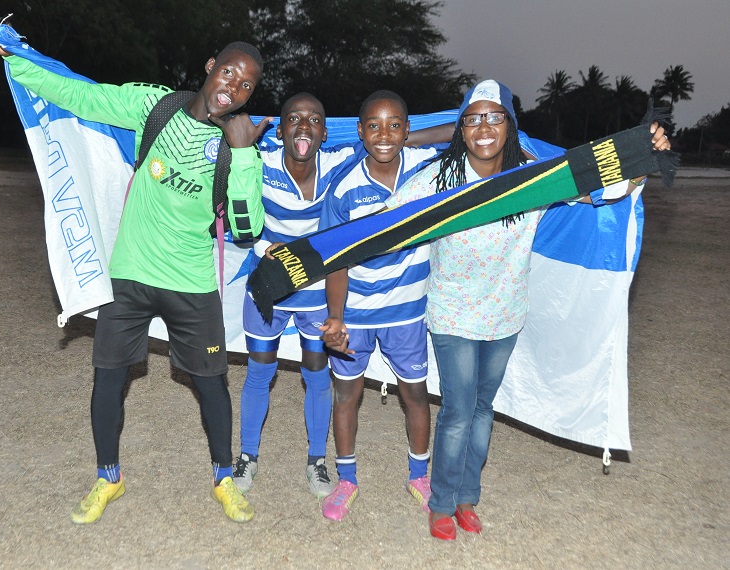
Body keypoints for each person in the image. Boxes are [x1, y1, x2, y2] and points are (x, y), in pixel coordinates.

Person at [0, 17, 273, 524]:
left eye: (247, 84)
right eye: (229, 72)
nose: (234, 87)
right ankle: (108, 477)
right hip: (131, 274)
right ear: (210, 66)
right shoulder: (155, 106)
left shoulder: (238, 145)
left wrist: (244, 155)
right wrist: (17, 60)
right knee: (108, 380)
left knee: (211, 385)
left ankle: (224, 478)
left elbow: (247, 227)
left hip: (192, 283)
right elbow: (82, 97)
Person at [385, 79, 672, 540]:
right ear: (460, 128)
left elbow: (601, 188)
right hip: (453, 314)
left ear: (510, 126)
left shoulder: (534, 177)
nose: (484, 127)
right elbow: (384, 223)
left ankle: (467, 497)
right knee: (458, 410)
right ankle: (441, 502)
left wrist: (641, 155)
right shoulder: (439, 178)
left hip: (506, 314)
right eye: (473, 118)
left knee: (483, 409)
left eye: (494, 117)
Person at [234, 93, 454, 499]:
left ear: (326, 132)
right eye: (294, 119)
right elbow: (237, 214)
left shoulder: (340, 162)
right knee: (260, 371)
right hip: (269, 286)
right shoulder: (257, 163)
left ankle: (317, 460)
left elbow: (386, 139)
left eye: (315, 120)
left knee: (317, 374)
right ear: (279, 131)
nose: (304, 126)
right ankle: (248, 455)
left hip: (315, 290)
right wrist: (263, 245)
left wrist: (409, 136)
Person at [317, 90, 444, 521]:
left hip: (407, 311)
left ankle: (419, 475)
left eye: (394, 126)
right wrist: (336, 317)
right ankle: (347, 480)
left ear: (407, 130)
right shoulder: (344, 187)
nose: (384, 135)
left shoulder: (427, 169)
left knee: (416, 393)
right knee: (346, 394)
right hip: (355, 311)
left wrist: (414, 138)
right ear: (359, 131)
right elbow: (336, 260)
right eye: (374, 126)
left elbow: (465, 131)